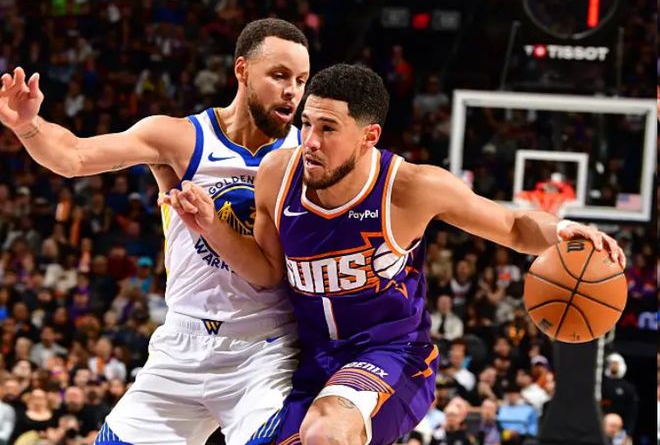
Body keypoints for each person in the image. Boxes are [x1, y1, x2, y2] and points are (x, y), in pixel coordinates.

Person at [161, 64, 625, 445]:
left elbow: (513, 226)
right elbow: (266, 271)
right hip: (309, 360)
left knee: (326, 432)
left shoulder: (409, 188)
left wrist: (561, 230)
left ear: (369, 136)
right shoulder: (278, 175)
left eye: (328, 128)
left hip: (393, 355)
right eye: (306, 124)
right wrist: (213, 228)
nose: (310, 141)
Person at [0, 18, 310, 445]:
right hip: (182, 342)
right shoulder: (180, 138)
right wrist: (28, 126)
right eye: (279, 76)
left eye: (300, 80)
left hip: (266, 347)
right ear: (242, 70)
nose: (292, 91)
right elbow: (74, 156)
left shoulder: (305, 154)